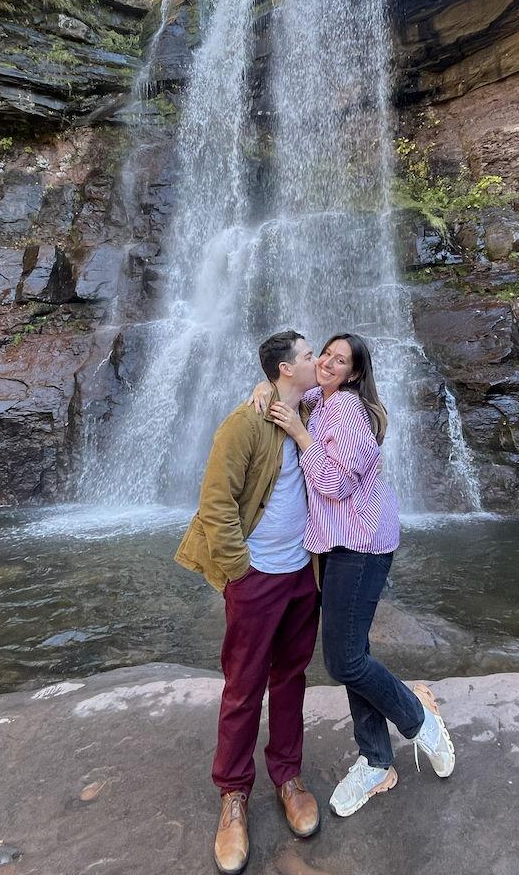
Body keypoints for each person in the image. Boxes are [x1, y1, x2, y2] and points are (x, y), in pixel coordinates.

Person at [251, 332, 455, 818]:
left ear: (354, 374)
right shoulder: (318, 402)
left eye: (340, 361)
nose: (327, 362)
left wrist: (301, 439)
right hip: (338, 545)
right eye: (325, 353)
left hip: (359, 545)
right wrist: (260, 390)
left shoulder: (343, 408)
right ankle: (375, 760)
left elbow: (335, 485)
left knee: (343, 661)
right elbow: (282, 390)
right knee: (353, 652)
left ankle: (416, 717)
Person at [174, 329, 322, 875]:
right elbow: (215, 503)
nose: (315, 362)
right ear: (285, 370)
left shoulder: (314, 407)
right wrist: (240, 572)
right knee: (243, 686)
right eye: (308, 356)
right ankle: (233, 795)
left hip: (302, 573)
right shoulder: (243, 423)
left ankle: (288, 777)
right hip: (257, 577)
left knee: (291, 678)